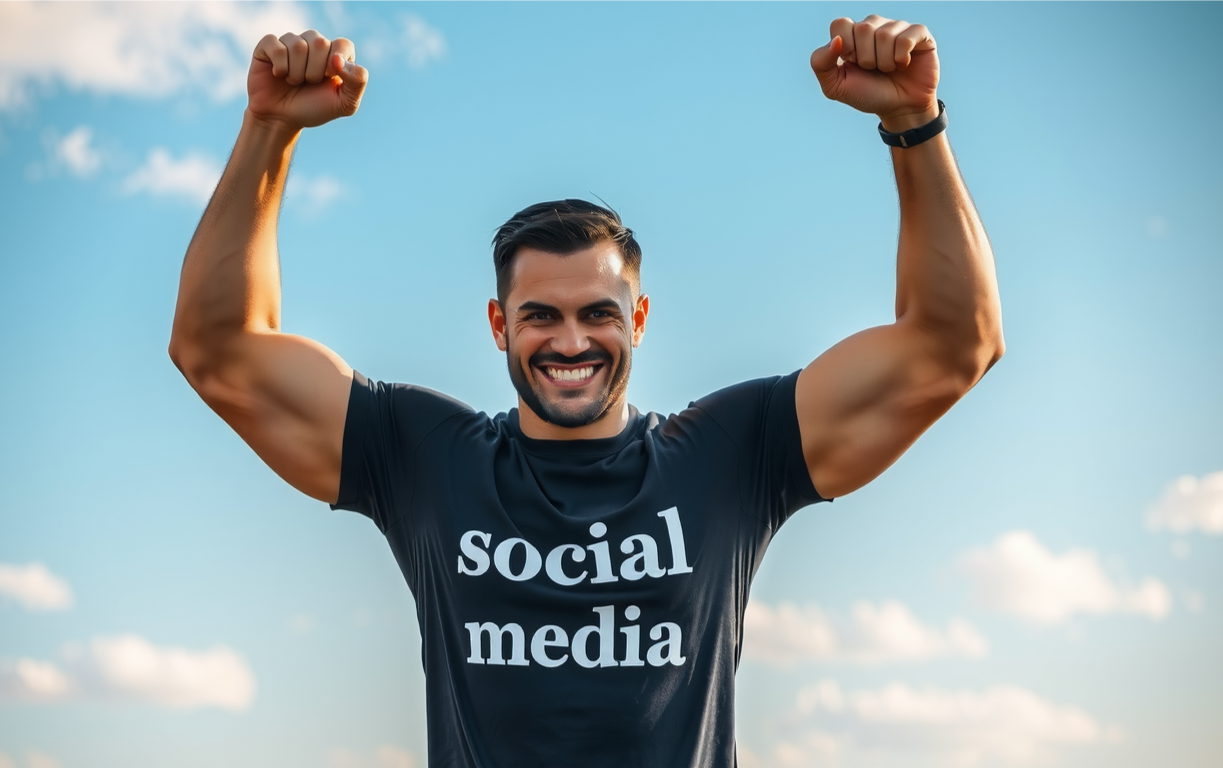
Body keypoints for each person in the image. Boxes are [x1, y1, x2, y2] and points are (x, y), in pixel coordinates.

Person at [169, 13, 1003, 768]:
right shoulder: (420, 456)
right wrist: (269, 128)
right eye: (540, 316)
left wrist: (912, 124)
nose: (571, 342)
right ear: (499, 325)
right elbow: (218, 350)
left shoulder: (733, 455)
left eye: (598, 313)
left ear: (637, 318)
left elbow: (952, 345)